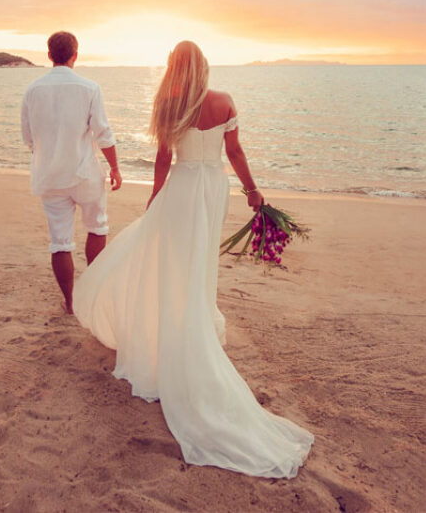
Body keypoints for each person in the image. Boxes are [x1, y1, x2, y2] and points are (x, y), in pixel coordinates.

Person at [74, 40, 313, 477]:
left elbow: (164, 160)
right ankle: (194, 321)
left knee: (173, 262)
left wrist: (154, 200)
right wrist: (253, 191)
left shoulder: (168, 103)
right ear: (202, 66)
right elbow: (235, 153)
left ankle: (177, 325)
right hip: (211, 190)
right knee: (200, 262)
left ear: (173, 68)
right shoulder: (223, 102)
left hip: (181, 190)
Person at [21, 31, 122, 314]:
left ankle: (70, 301)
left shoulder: (33, 90)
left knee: (60, 242)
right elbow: (103, 133)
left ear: (50, 55)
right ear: (75, 54)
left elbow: (28, 138)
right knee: (97, 227)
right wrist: (114, 167)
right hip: (85, 173)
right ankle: (95, 294)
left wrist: (49, 155)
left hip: (50, 176)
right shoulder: (89, 88)